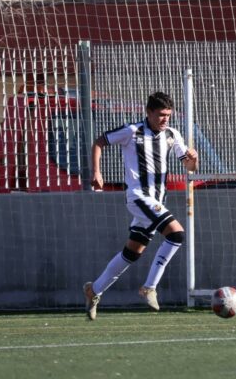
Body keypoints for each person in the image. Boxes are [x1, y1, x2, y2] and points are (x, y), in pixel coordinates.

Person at [83, 91, 198, 320]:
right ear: (149, 112)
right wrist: (96, 171)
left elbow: (190, 167)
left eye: (168, 115)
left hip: (155, 201)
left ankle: (93, 290)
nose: (165, 119)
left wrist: (193, 158)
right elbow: (99, 142)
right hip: (138, 196)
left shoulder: (172, 135)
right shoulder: (132, 131)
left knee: (132, 253)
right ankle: (149, 287)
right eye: (161, 115)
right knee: (176, 235)